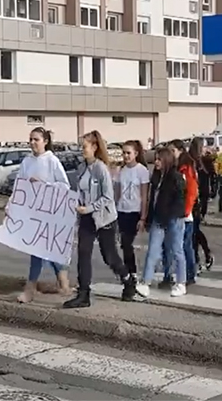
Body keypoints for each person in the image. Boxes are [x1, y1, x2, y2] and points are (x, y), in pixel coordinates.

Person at [63, 130, 136, 308]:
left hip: (104, 219)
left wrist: (88, 208)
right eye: (82, 146)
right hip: (86, 218)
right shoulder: (82, 168)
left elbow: (107, 198)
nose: (82, 150)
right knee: (83, 252)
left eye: (85, 147)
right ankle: (84, 293)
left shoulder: (101, 169)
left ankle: (127, 279)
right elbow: (77, 190)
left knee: (109, 256)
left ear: (95, 147)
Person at [16, 127, 72, 303]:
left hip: (50, 211)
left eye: (36, 139)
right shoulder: (27, 162)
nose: (32, 143)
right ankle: (63, 282)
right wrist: (13, 205)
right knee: (44, 249)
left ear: (45, 141)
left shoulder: (52, 161)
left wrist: (44, 184)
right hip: (33, 211)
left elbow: (65, 186)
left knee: (40, 250)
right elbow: (19, 185)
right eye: (30, 139)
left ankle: (30, 288)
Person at [135, 147, 188, 298]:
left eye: (159, 159)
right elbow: (153, 200)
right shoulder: (157, 177)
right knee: (152, 250)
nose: (156, 162)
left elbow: (180, 200)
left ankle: (181, 282)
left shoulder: (176, 177)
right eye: (155, 159)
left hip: (173, 218)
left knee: (177, 250)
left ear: (166, 160)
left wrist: (173, 215)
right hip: (159, 218)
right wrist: (149, 218)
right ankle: (145, 282)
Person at [162, 139, 200, 285]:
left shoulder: (186, 168)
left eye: (173, 151)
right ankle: (180, 273)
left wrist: (186, 211)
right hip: (177, 212)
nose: (171, 154)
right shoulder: (177, 167)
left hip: (184, 214)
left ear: (180, 151)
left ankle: (189, 274)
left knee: (184, 246)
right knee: (178, 245)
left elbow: (191, 192)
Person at [115, 140, 150, 277]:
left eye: (128, 153)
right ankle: (128, 271)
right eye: (123, 153)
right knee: (124, 244)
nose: (126, 156)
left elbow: (144, 195)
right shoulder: (121, 171)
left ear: (135, 153)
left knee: (128, 242)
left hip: (134, 211)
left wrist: (143, 217)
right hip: (122, 210)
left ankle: (132, 271)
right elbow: (117, 193)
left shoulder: (142, 171)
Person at [188, 138, 214, 270]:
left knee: (194, 231)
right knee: (192, 232)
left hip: (199, 202)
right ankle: (199, 258)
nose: (206, 149)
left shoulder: (206, 162)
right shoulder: (190, 162)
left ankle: (202, 256)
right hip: (190, 201)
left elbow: (206, 186)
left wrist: (205, 205)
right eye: (204, 146)